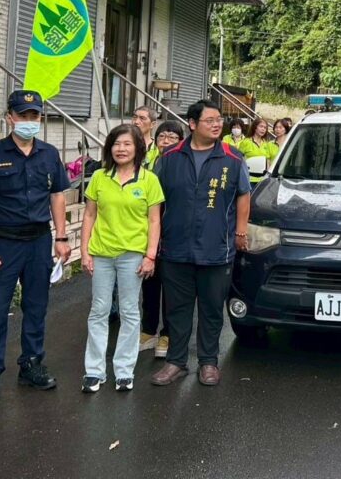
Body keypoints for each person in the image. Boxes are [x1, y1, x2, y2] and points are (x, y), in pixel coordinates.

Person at [0, 90, 71, 404]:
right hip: (3, 242)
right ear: (9, 117)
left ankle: (31, 364)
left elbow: (57, 196)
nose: (29, 121)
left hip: (39, 241)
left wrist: (62, 237)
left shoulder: (50, 154)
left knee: (36, 306)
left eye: (34, 116)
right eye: (23, 115)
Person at [150, 100, 251, 387]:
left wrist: (240, 232)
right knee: (177, 309)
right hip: (176, 247)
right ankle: (176, 361)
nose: (217, 124)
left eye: (219, 119)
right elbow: (155, 201)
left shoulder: (232, 157)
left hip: (216, 248)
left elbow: (244, 195)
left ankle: (208, 362)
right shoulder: (169, 158)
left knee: (210, 308)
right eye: (210, 120)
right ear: (192, 125)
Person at [80, 125, 164, 393]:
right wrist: (84, 251)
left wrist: (150, 255)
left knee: (129, 312)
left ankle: (124, 371)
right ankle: (94, 371)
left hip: (133, 255)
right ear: (109, 148)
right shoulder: (99, 177)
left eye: (127, 144)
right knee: (99, 311)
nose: (121, 149)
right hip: (102, 252)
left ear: (138, 148)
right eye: (116, 144)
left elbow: (154, 220)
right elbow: (90, 216)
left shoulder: (148, 180)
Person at [140, 120, 183, 357]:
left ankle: (167, 334)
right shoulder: (147, 159)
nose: (166, 141)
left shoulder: (181, 163)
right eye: (162, 137)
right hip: (147, 231)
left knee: (171, 285)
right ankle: (148, 330)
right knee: (149, 281)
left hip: (171, 232)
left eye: (172, 137)